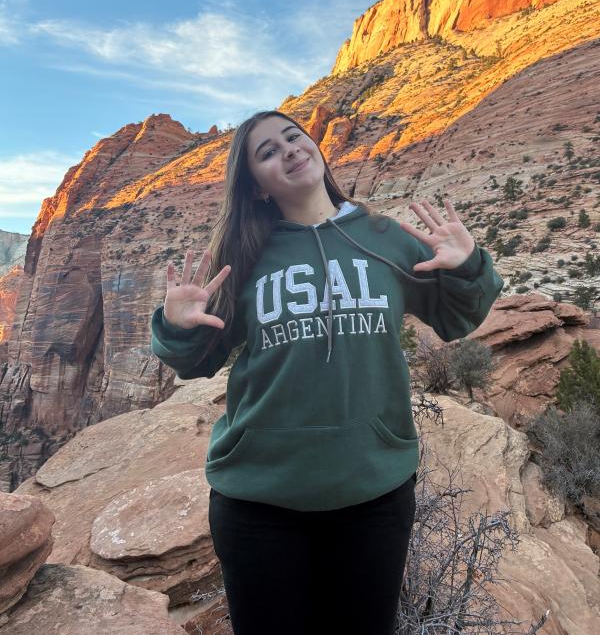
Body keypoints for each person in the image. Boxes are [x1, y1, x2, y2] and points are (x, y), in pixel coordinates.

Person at [150, 110, 505, 635]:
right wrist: (176, 326)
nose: (289, 150)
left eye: (294, 137)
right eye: (268, 152)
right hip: (259, 502)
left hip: (372, 493)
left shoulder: (384, 237)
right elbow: (195, 361)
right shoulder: (242, 256)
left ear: (316, 147)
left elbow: (458, 318)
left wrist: (469, 264)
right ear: (257, 186)